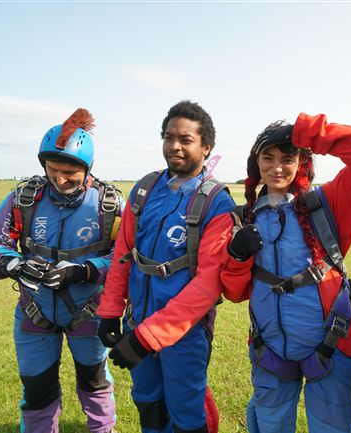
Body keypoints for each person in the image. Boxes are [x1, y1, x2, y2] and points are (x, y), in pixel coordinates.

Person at [220, 113, 351, 433]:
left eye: (287, 158)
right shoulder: (245, 216)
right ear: (256, 163)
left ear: (302, 162)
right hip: (269, 349)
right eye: (268, 157)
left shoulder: (328, 205)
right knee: (270, 427)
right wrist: (237, 256)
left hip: (331, 346)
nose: (277, 167)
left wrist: (304, 133)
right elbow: (234, 292)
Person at [0, 108, 120, 433]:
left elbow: (124, 258)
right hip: (34, 311)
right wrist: (13, 264)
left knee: (95, 384)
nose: (60, 179)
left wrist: (84, 271)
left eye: (70, 172)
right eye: (53, 170)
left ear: (88, 168)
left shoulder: (108, 206)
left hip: (89, 314)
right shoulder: (24, 199)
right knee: (37, 390)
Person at [96, 100, 234, 433]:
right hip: (137, 320)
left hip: (184, 333)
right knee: (148, 404)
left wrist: (146, 338)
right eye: (169, 137)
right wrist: (111, 310)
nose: (175, 146)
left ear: (206, 147)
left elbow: (207, 286)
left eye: (186, 140)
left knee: (187, 413)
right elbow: (123, 254)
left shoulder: (216, 203)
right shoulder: (145, 189)